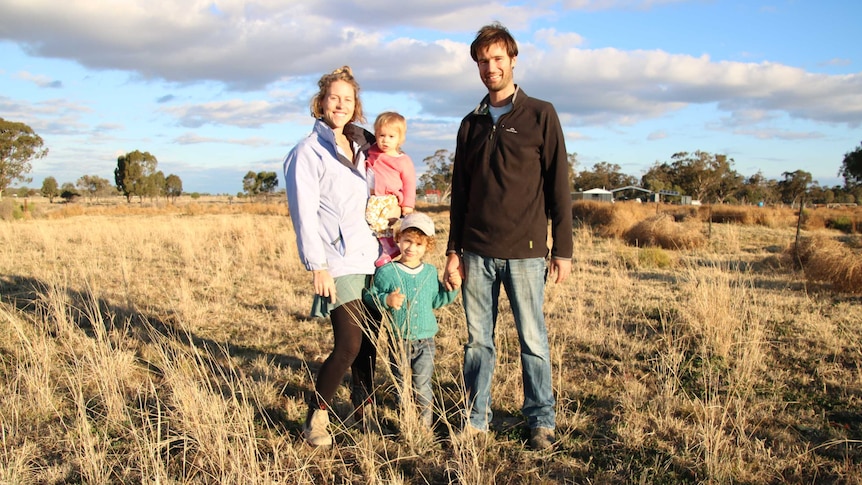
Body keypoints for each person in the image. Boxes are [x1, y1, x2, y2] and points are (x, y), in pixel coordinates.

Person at [443, 23, 573, 451]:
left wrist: (563, 250)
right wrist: (452, 250)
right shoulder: (471, 123)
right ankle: (476, 419)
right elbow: (459, 193)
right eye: (482, 61)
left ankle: (541, 420)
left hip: (527, 252)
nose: (490, 67)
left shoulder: (541, 114)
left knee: (533, 341)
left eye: (497, 59)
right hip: (476, 252)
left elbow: (559, 186)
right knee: (478, 343)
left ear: (512, 60)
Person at [283, 66, 381, 447]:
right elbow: (303, 213)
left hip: (369, 256)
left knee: (370, 343)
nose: (340, 105)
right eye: (333, 98)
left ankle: (364, 408)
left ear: (355, 106)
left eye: (348, 99)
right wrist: (317, 266)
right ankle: (316, 420)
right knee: (349, 344)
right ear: (321, 102)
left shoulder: (359, 147)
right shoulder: (307, 152)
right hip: (337, 261)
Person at [365, 212, 458, 428]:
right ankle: (407, 422)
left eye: (418, 243)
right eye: (407, 240)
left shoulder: (429, 272)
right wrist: (386, 299)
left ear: (428, 246)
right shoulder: (386, 272)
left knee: (423, 385)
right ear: (398, 238)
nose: (411, 248)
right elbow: (369, 296)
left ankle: (425, 427)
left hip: (426, 341)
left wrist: (453, 289)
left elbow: (436, 300)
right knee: (401, 385)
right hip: (399, 341)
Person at [365, 111, 417, 267]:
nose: (385, 140)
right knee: (372, 219)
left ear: (400, 139)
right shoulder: (372, 152)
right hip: (374, 197)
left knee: (376, 219)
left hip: (389, 197)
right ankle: (386, 245)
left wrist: (408, 205)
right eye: (381, 135)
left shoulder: (402, 160)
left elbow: (409, 182)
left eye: (391, 137)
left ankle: (389, 247)